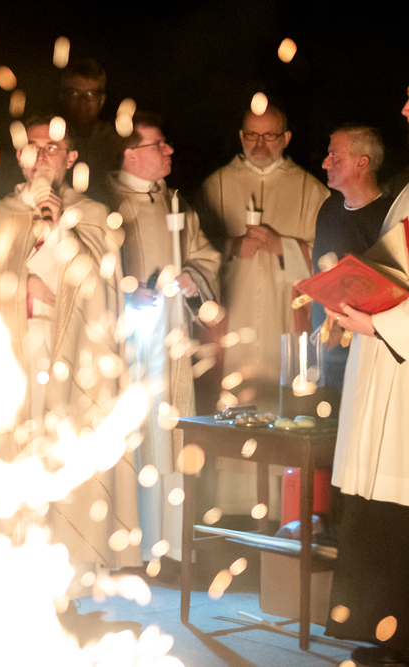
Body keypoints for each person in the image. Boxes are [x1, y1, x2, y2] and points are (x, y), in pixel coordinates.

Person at [0, 116, 141, 590]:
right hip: (9, 364)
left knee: (64, 461)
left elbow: (104, 293)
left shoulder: (94, 216)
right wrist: (19, 288)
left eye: (53, 148)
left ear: (71, 158)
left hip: (72, 361)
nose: (41, 157)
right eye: (32, 147)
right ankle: (8, 579)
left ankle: (67, 588)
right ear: (19, 156)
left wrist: (59, 232)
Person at [106, 114, 219, 562]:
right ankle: (128, 548)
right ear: (131, 154)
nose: (169, 151)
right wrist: (125, 292)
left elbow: (204, 256)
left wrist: (193, 277)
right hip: (126, 342)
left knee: (168, 430)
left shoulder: (175, 202)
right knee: (134, 433)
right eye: (159, 144)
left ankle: (169, 546)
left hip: (170, 337)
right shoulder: (105, 202)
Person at [323, 89, 409, 667]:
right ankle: (389, 638)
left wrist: (382, 323)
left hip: (397, 357)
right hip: (383, 358)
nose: (403, 111)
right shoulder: (406, 189)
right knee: (380, 506)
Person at [196, 105, 329, 410]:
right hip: (233, 315)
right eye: (252, 135)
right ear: (241, 136)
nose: (259, 144)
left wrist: (281, 246)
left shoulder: (311, 190)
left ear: (286, 138)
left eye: (269, 136)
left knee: (281, 405)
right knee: (231, 403)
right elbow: (194, 250)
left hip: (284, 317)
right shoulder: (216, 186)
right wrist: (231, 246)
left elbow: (329, 259)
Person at [313, 125, 392, 403]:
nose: (325, 163)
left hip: (374, 358)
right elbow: (320, 279)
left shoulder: (390, 216)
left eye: (335, 156)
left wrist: (344, 326)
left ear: (362, 162)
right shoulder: (329, 210)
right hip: (327, 357)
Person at [57, 59, 124, 202]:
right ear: (63, 97)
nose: (83, 101)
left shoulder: (116, 142)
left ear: (102, 100)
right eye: (75, 93)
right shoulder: (49, 139)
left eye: (90, 94)